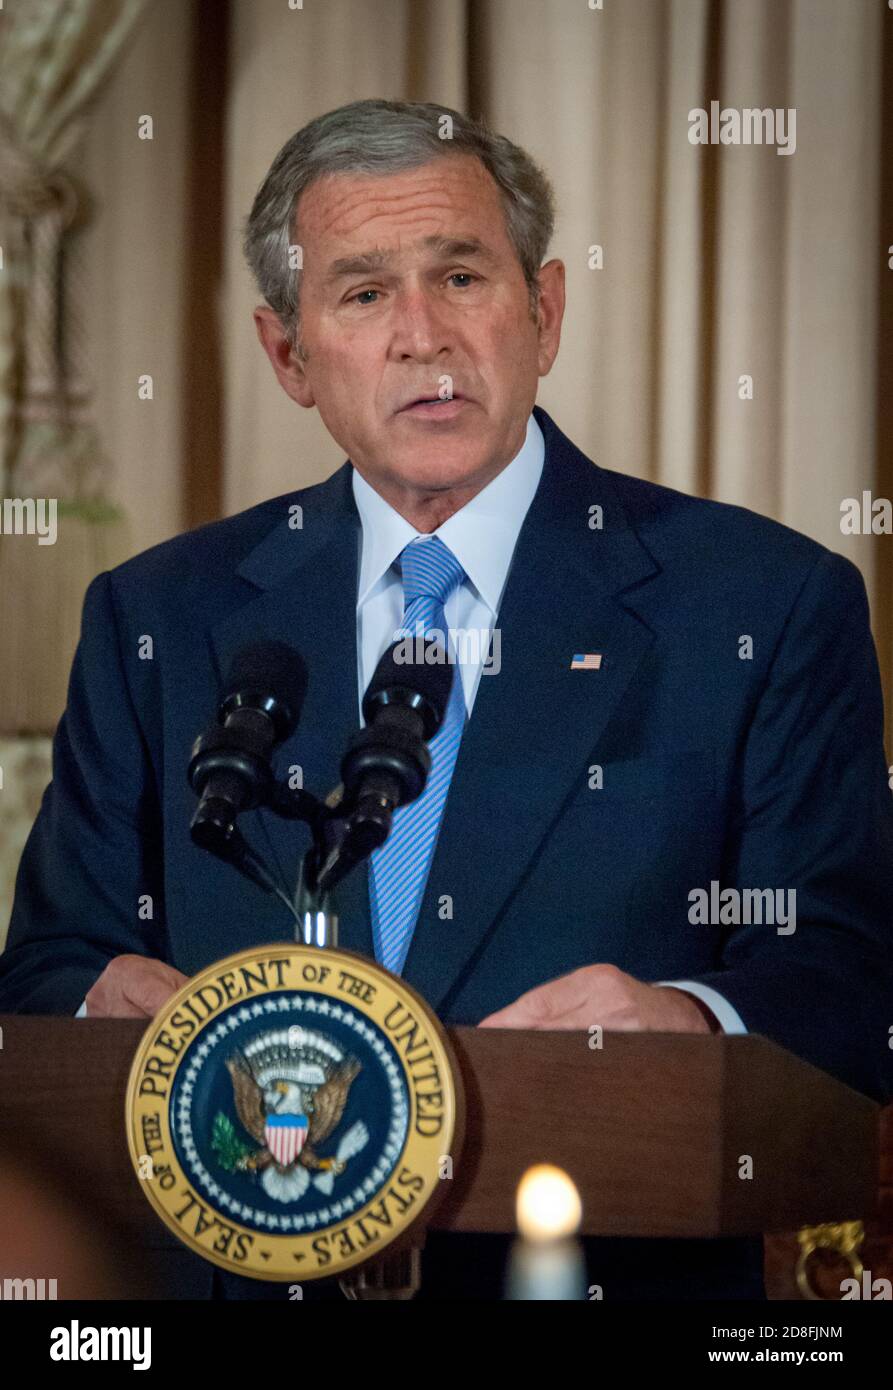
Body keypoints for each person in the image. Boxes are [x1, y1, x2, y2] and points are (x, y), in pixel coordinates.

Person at [2, 99, 892, 1301]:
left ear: (544, 311)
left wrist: (691, 1018)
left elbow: (846, 977)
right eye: (362, 293)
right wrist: (93, 991)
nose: (422, 335)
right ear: (289, 354)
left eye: (461, 274)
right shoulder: (158, 618)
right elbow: (46, 970)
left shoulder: (762, 604)